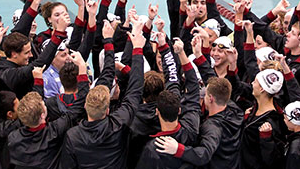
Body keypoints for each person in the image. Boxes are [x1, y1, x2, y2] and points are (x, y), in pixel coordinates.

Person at [60, 21, 145, 169]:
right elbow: (135, 90)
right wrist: (136, 49)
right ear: (107, 110)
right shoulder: (119, 124)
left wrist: (82, 69)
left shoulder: (72, 136)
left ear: (85, 106)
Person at [7, 51, 89, 168]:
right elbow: (79, 104)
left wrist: (38, 80)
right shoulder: (55, 132)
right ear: (42, 115)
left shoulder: (13, 138)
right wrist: (82, 68)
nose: (45, 103)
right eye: (43, 104)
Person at [136, 36, 201, 169]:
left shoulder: (148, 145)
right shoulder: (191, 129)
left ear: (157, 111)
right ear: (179, 110)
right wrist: (165, 49)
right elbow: (192, 86)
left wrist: (164, 49)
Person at [155, 77, 244, 169]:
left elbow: (204, 154)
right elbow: (218, 87)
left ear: (210, 98)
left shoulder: (213, 127)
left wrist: (178, 149)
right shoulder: (236, 112)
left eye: (205, 95)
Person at [0, 9, 70, 99]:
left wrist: (34, 1)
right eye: (27, 52)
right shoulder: (11, 75)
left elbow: (20, 30)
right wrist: (59, 33)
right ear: (14, 54)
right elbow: (40, 63)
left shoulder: (2, 64)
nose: (31, 55)